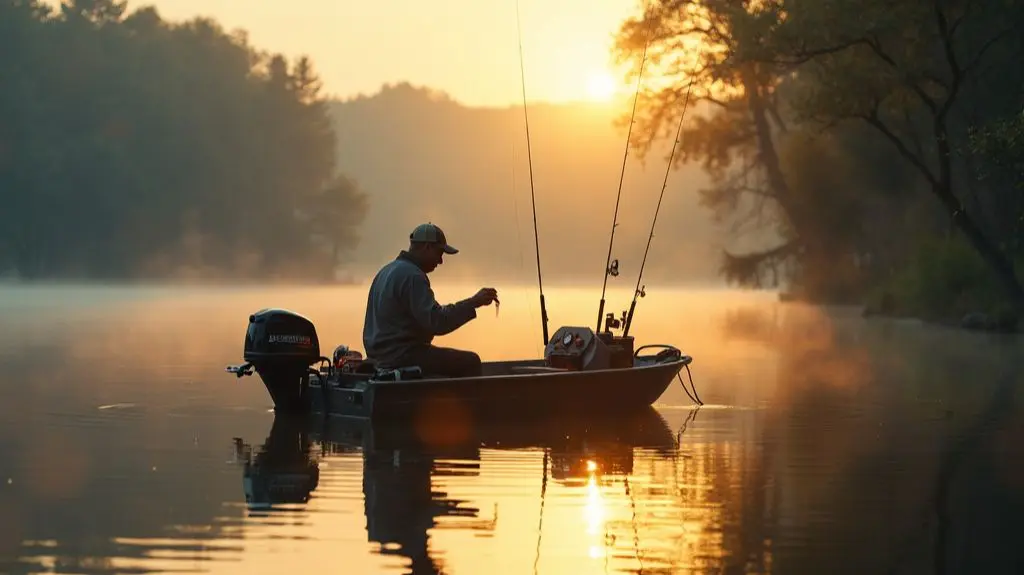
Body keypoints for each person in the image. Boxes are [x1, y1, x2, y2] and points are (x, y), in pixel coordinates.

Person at [362, 223, 499, 378]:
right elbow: (437, 321)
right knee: (471, 362)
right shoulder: (413, 276)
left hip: (378, 357)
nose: (441, 261)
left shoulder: (385, 271)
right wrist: (474, 302)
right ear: (427, 247)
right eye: (440, 253)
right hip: (402, 357)